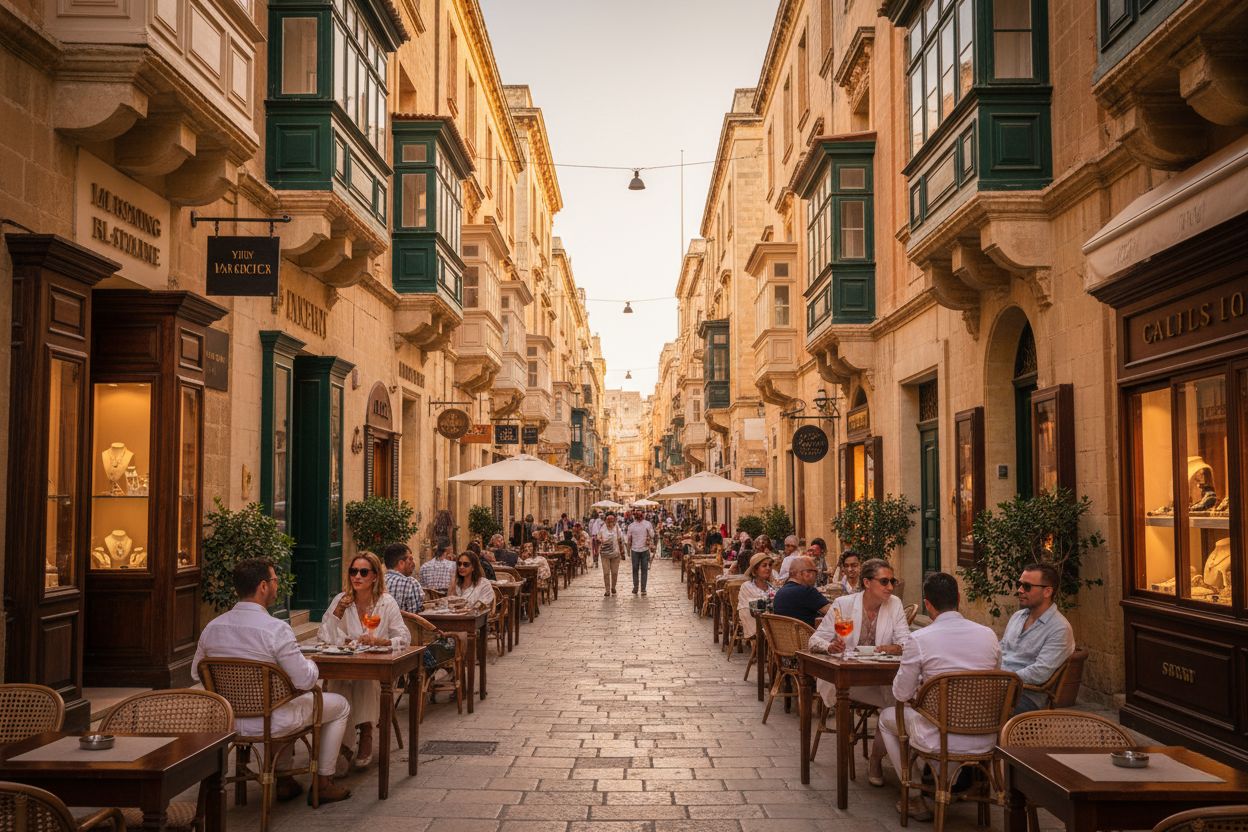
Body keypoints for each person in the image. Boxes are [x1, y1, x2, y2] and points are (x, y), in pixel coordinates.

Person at [193, 558, 353, 804]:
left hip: (227, 720)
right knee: (339, 704)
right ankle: (323, 781)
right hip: (271, 721)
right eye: (275, 581)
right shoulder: (275, 629)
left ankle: (285, 779)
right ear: (263, 586)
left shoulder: (212, 627)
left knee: (289, 701)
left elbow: (197, 673)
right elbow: (305, 679)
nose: (277, 586)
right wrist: (311, 662)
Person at [878, 572, 1001, 820]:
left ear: (928, 604)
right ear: (958, 598)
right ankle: (950, 782)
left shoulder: (920, 639)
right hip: (985, 735)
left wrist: (921, 690)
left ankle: (914, 795)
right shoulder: (988, 635)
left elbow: (900, 693)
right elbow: (996, 680)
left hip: (939, 737)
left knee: (887, 717)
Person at [809, 558, 911, 785]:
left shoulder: (893, 604)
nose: (890, 587)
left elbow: (906, 641)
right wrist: (830, 646)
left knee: (900, 698)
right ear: (867, 582)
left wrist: (896, 647)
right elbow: (814, 640)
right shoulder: (844, 605)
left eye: (892, 581)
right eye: (884, 581)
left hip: (880, 677)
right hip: (846, 681)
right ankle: (890, 765)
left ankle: (881, 759)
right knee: (896, 700)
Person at [318, 552, 411, 770]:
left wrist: (381, 641)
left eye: (363, 572)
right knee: (342, 681)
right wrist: (338, 612)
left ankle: (364, 731)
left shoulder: (386, 603)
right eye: (353, 571)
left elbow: (405, 638)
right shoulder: (341, 601)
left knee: (363, 680)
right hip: (347, 665)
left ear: (375, 576)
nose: (357, 577)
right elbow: (324, 637)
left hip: (376, 671)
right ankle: (348, 738)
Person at [1001, 562, 1074, 713]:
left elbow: (1040, 672)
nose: (1020, 590)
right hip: (1000, 686)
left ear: (1047, 592)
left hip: (1026, 696)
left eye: (1027, 586)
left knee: (967, 707)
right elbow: (1001, 649)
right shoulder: (1018, 616)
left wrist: (1001, 679)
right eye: (1019, 584)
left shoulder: (1059, 628)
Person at [771, 555, 831, 626]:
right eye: (815, 572)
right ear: (806, 573)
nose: (816, 577)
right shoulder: (807, 591)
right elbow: (835, 613)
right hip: (807, 636)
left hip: (784, 636)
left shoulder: (780, 592)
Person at [737, 553, 778, 641]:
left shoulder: (771, 586)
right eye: (764, 565)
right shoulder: (747, 586)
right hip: (754, 622)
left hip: (770, 619)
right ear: (755, 570)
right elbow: (755, 608)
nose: (768, 568)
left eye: (770, 565)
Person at [381, 542, 423, 613]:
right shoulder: (410, 583)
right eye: (410, 559)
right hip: (406, 624)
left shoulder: (378, 582)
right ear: (401, 563)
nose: (413, 563)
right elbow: (416, 617)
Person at [624, 507, 656, 596]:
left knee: (644, 570)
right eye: (637, 514)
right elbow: (628, 539)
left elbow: (652, 535)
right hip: (634, 550)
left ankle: (643, 589)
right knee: (635, 570)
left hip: (645, 550)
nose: (639, 516)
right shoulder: (631, 526)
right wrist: (628, 550)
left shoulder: (647, 524)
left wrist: (649, 531)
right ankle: (636, 587)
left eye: (640, 514)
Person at [597, 513, 627, 596]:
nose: (610, 522)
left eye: (612, 520)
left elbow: (620, 540)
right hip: (604, 554)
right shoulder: (602, 528)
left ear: (614, 521)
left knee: (614, 572)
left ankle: (613, 587)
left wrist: (622, 551)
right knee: (606, 573)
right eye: (608, 520)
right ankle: (607, 590)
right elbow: (598, 537)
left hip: (615, 554)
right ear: (606, 520)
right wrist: (601, 541)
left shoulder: (617, 528)